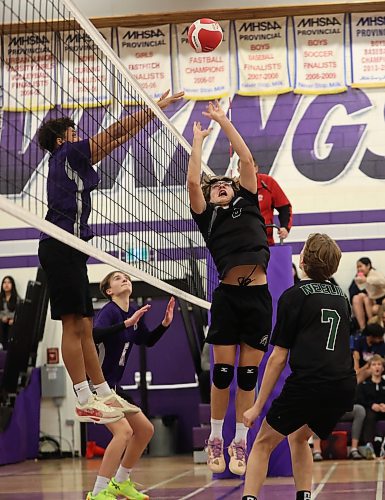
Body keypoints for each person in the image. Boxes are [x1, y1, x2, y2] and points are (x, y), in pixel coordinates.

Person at [37, 90, 184, 425]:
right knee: (74, 325)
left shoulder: (72, 158)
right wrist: (153, 108)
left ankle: (102, 392)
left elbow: (117, 139)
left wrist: (149, 118)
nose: (81, 137)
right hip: (58, 245)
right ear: (63, 140)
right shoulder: (68, 153)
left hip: (71, 248)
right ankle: (84, 398)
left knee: (85, 325)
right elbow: (115, 132)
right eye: (75, 132)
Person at [188, 100, 272, 476]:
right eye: (216, 186)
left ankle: (240, 441)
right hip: (227, 296)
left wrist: (223, 121)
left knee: (249, 376)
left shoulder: (249, 200)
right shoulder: (207, 218)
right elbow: (193, 181)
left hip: (257, 295)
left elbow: (248, 161)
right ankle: (216, 439)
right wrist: (198, 142)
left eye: (226, 183)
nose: (221, 186)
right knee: (222, 373)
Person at [242, 233, 356, 500]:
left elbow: (278, 357)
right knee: (299, 437)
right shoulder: (342, 297)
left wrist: (257, 405)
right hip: (342, 386)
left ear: (303, 260)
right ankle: (304, 496)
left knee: (262, 443)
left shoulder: (293, 296)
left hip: (310, 383)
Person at [86, 270, 175, 500]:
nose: (124, 279)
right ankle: (97, 494)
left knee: (145, 430)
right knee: (124, 432)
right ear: (109, 291)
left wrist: (165, 325)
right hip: (95, 387)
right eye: (117, 278)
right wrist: (126, 323)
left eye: (126, 277)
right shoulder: (110, 311)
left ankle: (121, 482)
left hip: (112, 388)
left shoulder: (134, 311)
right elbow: (93, 335)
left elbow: (147, 341)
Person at [237, 159, 292, 246]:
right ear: (238, 170)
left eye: (250, 167)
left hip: (266, 242)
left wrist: (285, 227)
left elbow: (284, 207)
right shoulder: (233, 187)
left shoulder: (268, 183)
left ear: (256, 168)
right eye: (244, 168)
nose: (247, 170)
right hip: (241, 243)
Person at [356, 354, 385, 459]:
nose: (377, 367)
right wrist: (372, 405)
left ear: (382, 368)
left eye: (379, 364)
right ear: (370, 368)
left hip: (383, 410)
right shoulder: (364, 384)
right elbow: (359, 400)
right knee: (369, 416)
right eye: (374, 364)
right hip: (371, 410)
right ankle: (368, 446)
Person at [349, 257, 385, 331]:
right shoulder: (360, 277)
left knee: (368, 301)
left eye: (360, 266)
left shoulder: (374, 273)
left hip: (381, 300)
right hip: (371, 300)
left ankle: (371, 324)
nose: (359, 269)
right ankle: (363, 328)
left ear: (368, 266)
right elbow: (359, 289)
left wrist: (366, 280)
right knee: (358, 298)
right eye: (357, 267)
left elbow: (382, 282)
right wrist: (358, 282)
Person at [0, 276, 20, 350]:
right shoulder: (0, 298)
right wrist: (2, 317)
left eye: (9, 282)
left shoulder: (17, 299)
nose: (6, 284)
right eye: (4, 282)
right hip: (2, 322)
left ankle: (9, 347)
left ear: (12, 285)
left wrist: (13, 319)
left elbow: (19, 313)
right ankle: (1, 345)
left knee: (11, 325)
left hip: (11, 322)